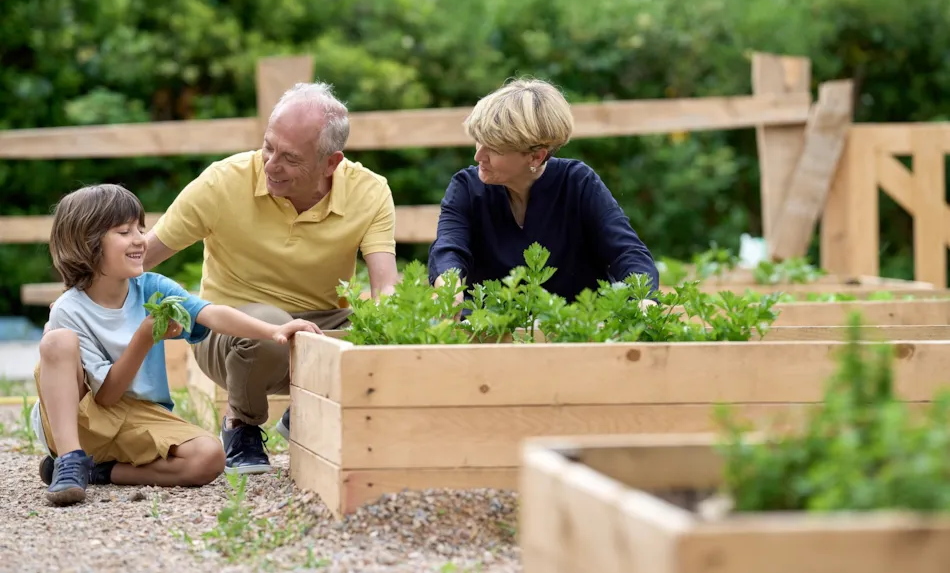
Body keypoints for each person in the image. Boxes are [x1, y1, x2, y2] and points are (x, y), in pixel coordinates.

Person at [143, 82, 400, 475]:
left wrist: (397, 333)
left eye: (290, 158)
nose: (271, 164)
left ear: (330, 163)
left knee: (381, 328)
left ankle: (305, 414)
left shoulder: (370, 191)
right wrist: (80, 295)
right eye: (268, 147)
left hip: (320, 326)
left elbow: (385, 287)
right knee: (270, 326)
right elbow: (143, 255)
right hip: (227, 331)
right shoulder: (223, 181)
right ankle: (240, 425)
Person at [34, 184, 319, 506]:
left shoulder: (153, 288)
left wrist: (274, 330)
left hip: (140, 417)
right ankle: (70, 461)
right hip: (83, 421)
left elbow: (210, 313)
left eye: (140, 228)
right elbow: (108, 395)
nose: (140, 239)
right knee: (57, 341)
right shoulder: (69, 309)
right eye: (124, 231)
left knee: (209, 458)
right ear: (87, 243)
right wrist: (145, 337)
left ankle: (100, 471)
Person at [427, 77, 659, 303]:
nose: (478, 156)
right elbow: (449, 247)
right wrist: (450, 289)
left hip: (577, 330)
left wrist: (643, 299)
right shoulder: (466, 187)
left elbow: (626, 253)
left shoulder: (577, 183)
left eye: (494, 149)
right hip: (489, 331)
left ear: (536, 157)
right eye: (479, 141)